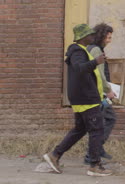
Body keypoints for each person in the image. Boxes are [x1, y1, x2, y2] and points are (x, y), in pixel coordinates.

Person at [43, 24, 112, 177]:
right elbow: (80, 68)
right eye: (90, 35)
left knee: (80, 129)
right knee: (97, 130)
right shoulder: (77, 51)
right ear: (82, 37)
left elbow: (83, 69)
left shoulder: (79, 51)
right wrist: (96, 61)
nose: (93, 37)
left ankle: (55, 155)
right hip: (86, 97)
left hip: (84, 97)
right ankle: (94, 165)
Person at [83, 23, 116, 164]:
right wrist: (108, 91)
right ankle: (93, 153)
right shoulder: (96, 50)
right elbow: (100, 74)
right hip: (99, 93)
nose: (109, 40)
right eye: (108, 37)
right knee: (108, 119)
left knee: (101, 122)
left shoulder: (91, 48)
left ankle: (96, 150)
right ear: (101, 36)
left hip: (93, 92)